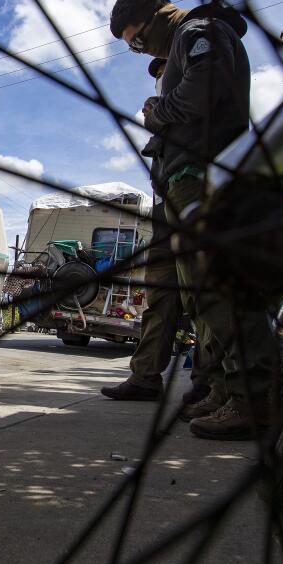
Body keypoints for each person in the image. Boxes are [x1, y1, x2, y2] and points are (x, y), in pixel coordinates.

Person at [108, 0, 279, 440]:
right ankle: (227, 389)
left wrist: (158, 111)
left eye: (138, 40)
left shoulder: (198, 31)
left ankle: (253, 397)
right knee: (199, 294)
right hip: (185, 177)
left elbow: (202, 95)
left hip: (201, 173)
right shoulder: (189, 38)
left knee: (217, 285)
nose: (139, 51)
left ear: (159, 14)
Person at [101, 58, 210, 406]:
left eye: (165, 69)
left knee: (202, 292)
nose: (160, 76)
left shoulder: (197, 94)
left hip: (198, 195)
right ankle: (145, 376)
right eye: (158, 73)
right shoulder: (163, 109)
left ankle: (209, 382)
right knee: (160, 295)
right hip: (166, 204)